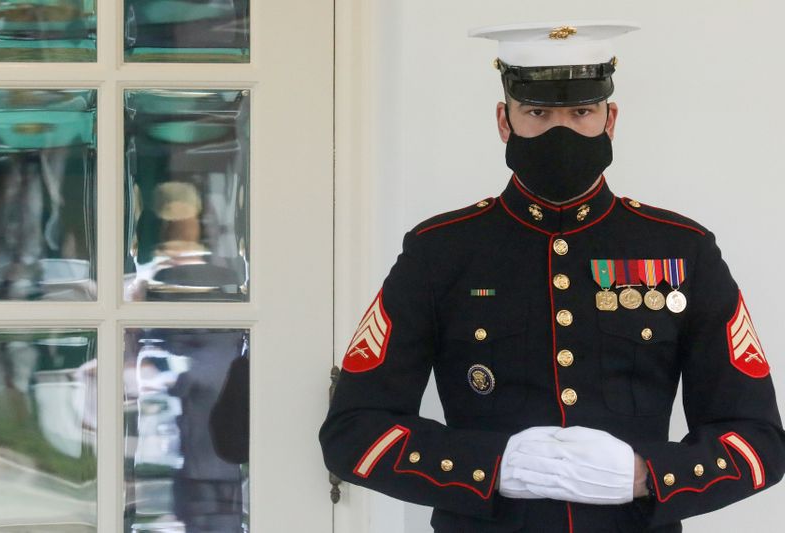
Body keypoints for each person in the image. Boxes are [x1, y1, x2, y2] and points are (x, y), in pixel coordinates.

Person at [318, 21, 785, 532]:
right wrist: (491, 467)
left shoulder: (680, 250)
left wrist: (648, 475)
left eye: (581, 112)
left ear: (610, 120)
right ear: (504, 120)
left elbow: (758, 440)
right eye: (537, 112)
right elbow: (352, 431)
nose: (561, 130)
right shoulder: (442, 252)